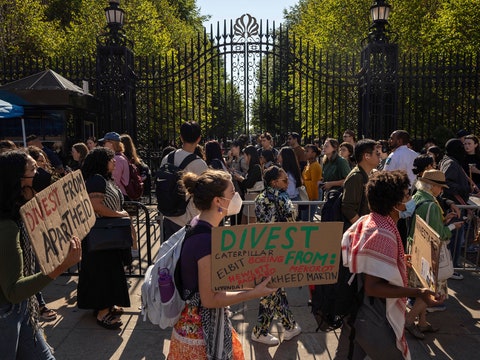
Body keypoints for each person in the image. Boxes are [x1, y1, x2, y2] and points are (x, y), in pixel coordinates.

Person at [168, 169, 276, 359]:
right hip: (200, 335)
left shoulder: (198, 224)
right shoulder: (206, 241)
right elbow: (210, 299)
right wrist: (253, 293)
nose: (236, 196)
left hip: (194, 326)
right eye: (232, 192)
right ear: (218, 201)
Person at [341, 170, 444, 360]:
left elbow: (370, 262)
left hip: (358, 311)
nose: (411, 198)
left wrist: (396, 260)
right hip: (371, 315)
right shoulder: (382, 233)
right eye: (407, 195)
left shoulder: (371, 220)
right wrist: (418, 293)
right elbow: (373, 287)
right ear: (395, 204)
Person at [0, 150, 81, 358]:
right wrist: (61, 267)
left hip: (23, 309)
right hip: (6, 314)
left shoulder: (16, 214)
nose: (40, 173)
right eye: (33, 169)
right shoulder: (6, 228)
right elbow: (14, 290)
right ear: (16, 180)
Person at [77, 147, 131, 329]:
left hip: (108, 235)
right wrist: (119, 215)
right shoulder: (96, 180)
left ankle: (107, 305)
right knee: (103, 273)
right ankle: (102, 313)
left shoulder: (105, 179)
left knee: (111, 272)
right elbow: (96, 206)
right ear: (102, 161)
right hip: (100, 236)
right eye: (111, 159)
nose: (115, 161)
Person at [405, 170, 463, 338]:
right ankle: (409, 321)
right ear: (433, 187)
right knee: (429, 291)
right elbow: (439, 233)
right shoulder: (431, 204)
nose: (441, 190)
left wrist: (443, 221)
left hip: (416, 248)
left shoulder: (417, 197)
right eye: (440, 187)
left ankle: (422, 322)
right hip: (430, 254)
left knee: (421, 288)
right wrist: (452, 226)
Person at [251, 166, 301, 345]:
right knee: (272, 288)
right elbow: (291, 222)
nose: (288, 183)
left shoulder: (259, 198)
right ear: (274, 182)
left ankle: (289, 327)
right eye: (284, 180)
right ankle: (261, 331)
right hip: (280, 249)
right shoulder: (282, 197)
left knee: (274, 287)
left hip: (264, 248)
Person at [159, 122, 208, 240]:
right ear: (199, 139)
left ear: (181, 137)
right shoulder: (199, 164)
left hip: (168, 215)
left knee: (170, 256)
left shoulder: (167, 158)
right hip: (187, 218)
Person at [439, 139, 470, 280]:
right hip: (455, 206)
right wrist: (462, 189)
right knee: (455, 239)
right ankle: (451, 267)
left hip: (456, 205)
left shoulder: (450, 160)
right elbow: (446, 183)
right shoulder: (451, 163)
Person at [233, 145, 263, 224]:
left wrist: (240, 178)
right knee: (244, 225)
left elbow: (249, 184)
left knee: (251, 227)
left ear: (249, 156)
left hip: (253, 201)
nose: (244, 158)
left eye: (245, 155)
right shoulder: (251, 168)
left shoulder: (256, 167)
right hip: (248, 200)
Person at [100, 132, 130, 199]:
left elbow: (115, 182)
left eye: (104, 142)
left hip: (119, 195)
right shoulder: (120, 157)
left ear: (111, 143)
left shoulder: (117, 159)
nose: (103, 145)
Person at [301, 144, 322, 221]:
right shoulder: (308, 165)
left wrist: (303, 182)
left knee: (308, 218)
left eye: (307, 151)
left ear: (314, 153)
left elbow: (314, 183)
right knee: (304, 218)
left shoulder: (315, 166)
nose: (305, 153)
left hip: (313, 195)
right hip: (307, 194)